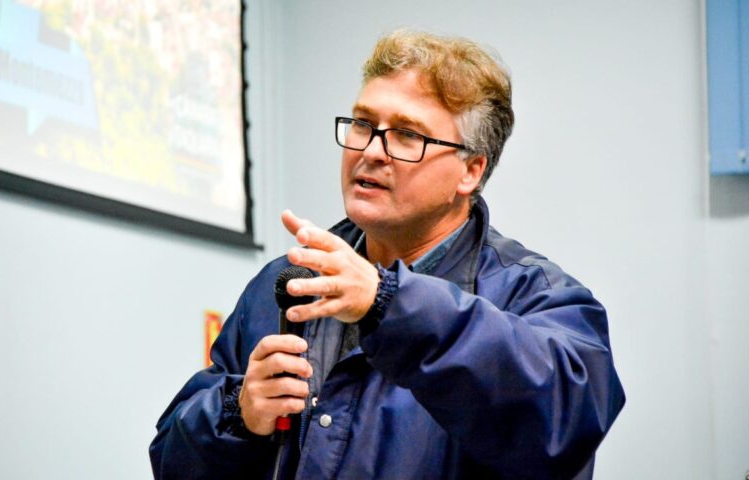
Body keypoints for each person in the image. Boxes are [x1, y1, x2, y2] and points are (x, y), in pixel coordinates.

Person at [150, 30, 625, 479]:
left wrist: (388, 302)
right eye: (363, 124)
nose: (372, 151)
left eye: (407, 135)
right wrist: (238, 414)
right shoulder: (292, 279)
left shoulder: (536, 296)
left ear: (471, 171)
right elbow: (171, 460)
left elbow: (563, 426)